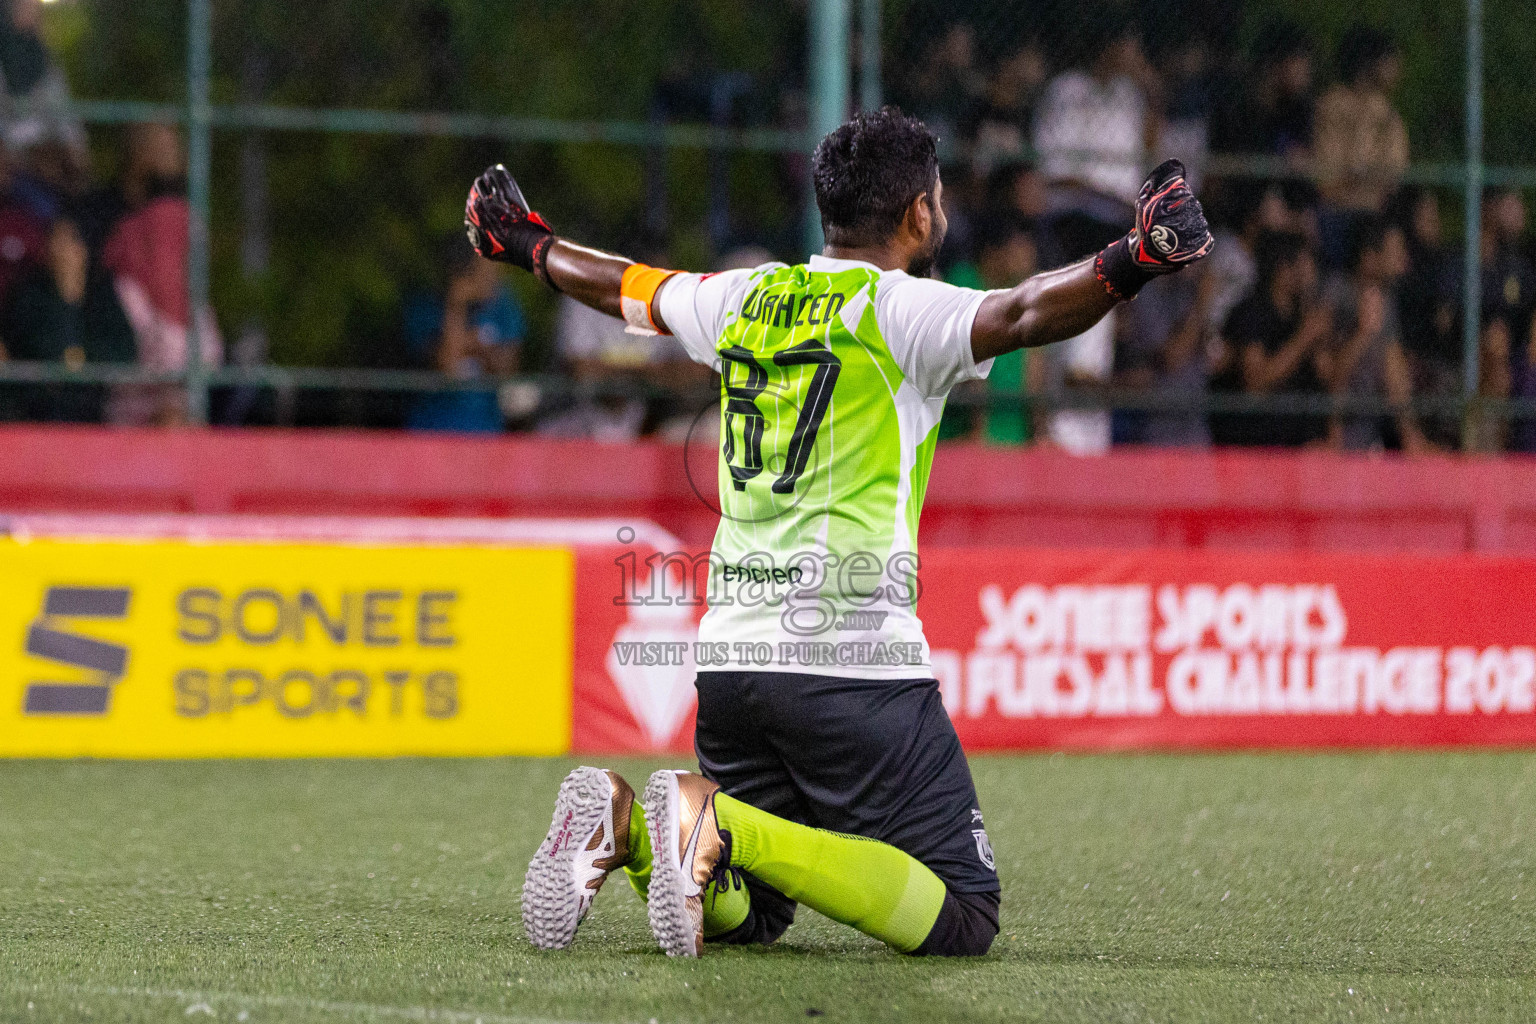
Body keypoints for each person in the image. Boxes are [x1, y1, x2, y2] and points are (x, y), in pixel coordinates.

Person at [473, 108, 1212, 958]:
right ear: (918, 216)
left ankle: (628, 826)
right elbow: (1023, 313)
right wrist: (1137, 257)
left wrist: (530, 244)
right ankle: (712, 823)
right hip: (853, 661)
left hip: (732, 666)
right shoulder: (903, 311)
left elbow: (625, 286)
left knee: (751, 916)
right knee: (965, 912)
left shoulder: (742, 297)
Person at [0, 216, 134, 421]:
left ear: (85, 250)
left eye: (70, 241)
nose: (62, 251)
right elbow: (41, 352)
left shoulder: (102, 294)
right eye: (55, 240)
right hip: (36, 412)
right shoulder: (28, 295)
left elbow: (123, 353)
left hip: (96, 411)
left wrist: (71, 299)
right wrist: (66, 300)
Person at [1317, 217, 1430, 452]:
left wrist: (1411, 436)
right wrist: (1364, 333)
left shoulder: (1385, 300)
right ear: (1369, 257)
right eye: (1396, 250)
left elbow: (1394, 370)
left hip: (1371, 436)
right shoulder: (1334, 294)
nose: (1404, 258)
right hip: (1327, 437)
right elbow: (1326, 377)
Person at [1210, 230, 1328, 447]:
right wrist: (1304, 338)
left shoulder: (1301, 313)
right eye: (1305, 262)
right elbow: (1256, 382)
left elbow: (1326, 376)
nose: (1312, 270)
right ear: (1283, 268)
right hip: (1253, 442)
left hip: (1298, 442)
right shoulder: (1250, 312)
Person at [1312, 27, 1408, 269]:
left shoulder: (1387, 116)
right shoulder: (1333, 104)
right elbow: (1328, 180)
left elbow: (1392, 177)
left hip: (1373, 216)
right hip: (1337, 213)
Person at [404, 241, 523, 433]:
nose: (492, 277)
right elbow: (448, 366)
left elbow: (508, 372)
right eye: (482, 270)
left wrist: (478, 349)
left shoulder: (504, 307)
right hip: (432, 431)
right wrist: (456, 303)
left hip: (486, 431)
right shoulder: (425, 307)